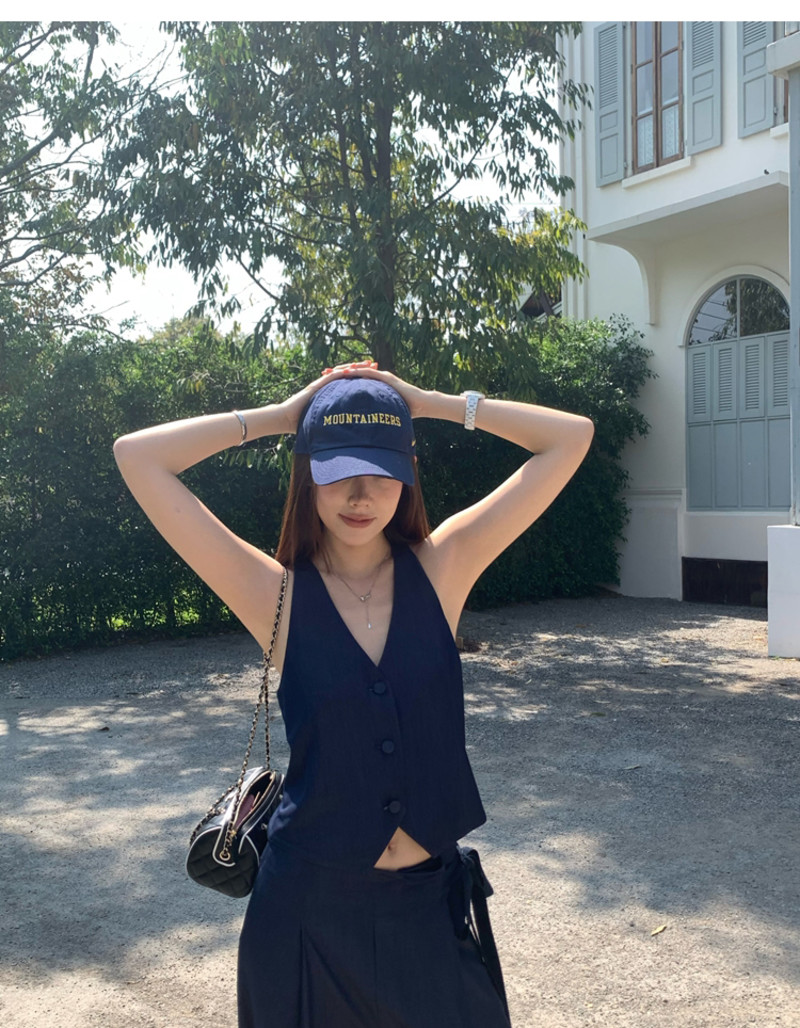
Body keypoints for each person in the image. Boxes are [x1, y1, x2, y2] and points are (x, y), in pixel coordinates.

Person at [113, 360, 594, 1028]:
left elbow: (571, 438)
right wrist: (284, 416)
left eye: (381, 470)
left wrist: (430, 402)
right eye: (337, 471)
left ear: (408, 471)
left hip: (427, 911)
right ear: (308, 474)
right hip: (306, 914)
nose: (360, 494)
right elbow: (137, 457)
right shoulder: (274, 594)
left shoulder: (445, 567)